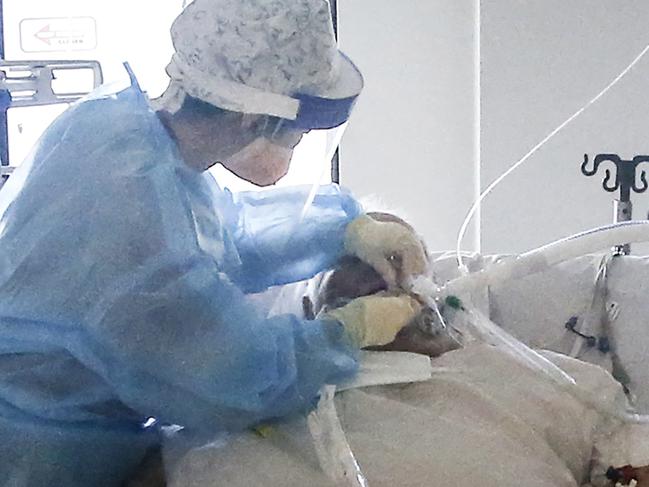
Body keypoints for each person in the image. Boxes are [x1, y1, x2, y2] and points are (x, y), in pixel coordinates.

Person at [0, 0, 428, 485]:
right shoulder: (132, 228)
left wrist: (346, 229)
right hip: (42, 457)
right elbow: (238, 380)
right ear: (251, 117)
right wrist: (349, 331)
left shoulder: (115, 128)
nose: (299, 141)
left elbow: (223, 233)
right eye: (300, 128)